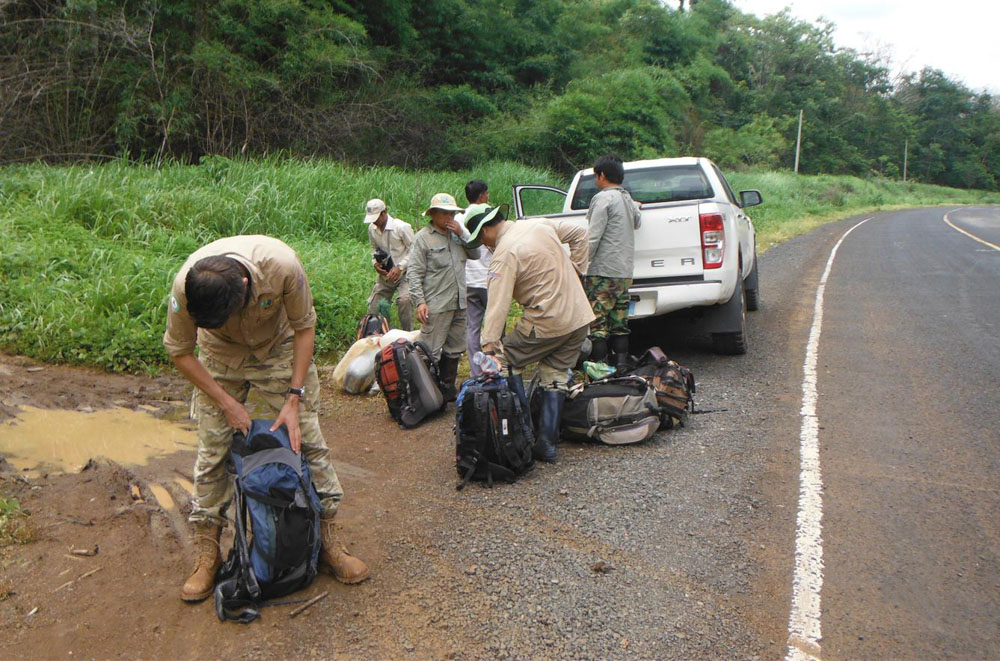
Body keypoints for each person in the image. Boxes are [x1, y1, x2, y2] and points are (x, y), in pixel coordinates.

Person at [163, 235, 369, 603]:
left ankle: (328, 542)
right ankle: (207, 552)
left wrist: (294, 397)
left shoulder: (283, 267)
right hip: (220, 359)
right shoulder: (186, 286)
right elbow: (180, 351)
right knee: (212, 454)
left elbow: (305, 329)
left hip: (279, 348)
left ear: (245, 286)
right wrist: (225, 402)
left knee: (307, 441)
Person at [467, 204, 595, 463]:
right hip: (579, 316)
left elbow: (497, 305)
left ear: (486, 229)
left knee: (505, 363)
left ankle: (524, 432)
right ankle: (546, 443)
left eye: (480, 237)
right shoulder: (538, 224)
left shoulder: (504, 253)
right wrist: (578, 270)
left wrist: (490, 346)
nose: (483, 243)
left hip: (546, 320)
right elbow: (580, 234)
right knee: (555, 373)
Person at [407, 192, 480, 401]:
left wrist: (463, 234)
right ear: (433, 214)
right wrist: (419, 302)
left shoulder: (458, 236)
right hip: (436, 304)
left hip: (459, 302)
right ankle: (422, 396)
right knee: (429, 351)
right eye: (445, 213)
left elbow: (476, 254)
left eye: (452, 213)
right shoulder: (423, 238)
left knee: (455, 349)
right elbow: (414, 273)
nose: (449, 217)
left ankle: (446, 391)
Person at [584, 154, 641, 368]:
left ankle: (601, 369)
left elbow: (593, 235)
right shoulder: (627, 198)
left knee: (598, 324)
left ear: (602, 175)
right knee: (620, 323)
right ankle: (621, 366)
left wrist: (580, 263)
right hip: (624, 273)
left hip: (603, 271)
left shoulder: (603, 198)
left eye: (595, 176)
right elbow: (638, 221)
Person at [364, 198, 415, 330]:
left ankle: (407, 335)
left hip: (405, 274)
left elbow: (415, 250)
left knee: (404, 302)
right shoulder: (372, 228)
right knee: (374, 308)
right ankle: (377, 334)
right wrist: (375, 263)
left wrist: (400, 267)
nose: (374, 222)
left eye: (376, 217)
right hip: (386, 274)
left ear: (384, 213)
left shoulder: (401, 227)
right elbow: (374, 249)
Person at [461, 180, 493, 378]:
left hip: (469, 280)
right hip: (489, 279)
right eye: (487, 193)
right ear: (482, 196)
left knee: (472, 327)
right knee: (495, 327)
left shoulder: (458, 218)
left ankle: (476, 372)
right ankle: (498, 367)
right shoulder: (489, 215)